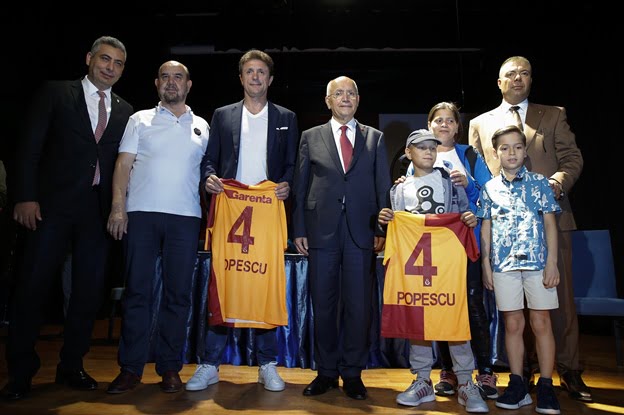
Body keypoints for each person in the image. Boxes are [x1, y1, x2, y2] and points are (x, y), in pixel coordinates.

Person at [0, 36, 132, 400]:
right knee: (32, 287)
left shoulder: (126, 110)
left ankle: (72, 365)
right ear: (89, 58)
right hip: (50, 208)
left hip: (97, 213)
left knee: (88, 293)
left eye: (118, 63)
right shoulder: (56, 93)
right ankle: (20, 373)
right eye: (104, 59)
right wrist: (25, 196)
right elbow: (29, 146)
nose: (110, 67)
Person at [468, 55, 589, 402]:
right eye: (511, 74)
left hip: (550, 219)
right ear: (499, 82)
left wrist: (555, 183)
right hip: (504, 230)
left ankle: (568, 370)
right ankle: (523, 373)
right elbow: (477, 174)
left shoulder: (553, 114)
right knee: (512, 313)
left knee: (558, 304)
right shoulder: (479, 123)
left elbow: (573, 158)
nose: (518, 78)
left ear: (531, 79)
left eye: (524, 73)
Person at [186, 49, 299, 393]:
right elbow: (210, 159)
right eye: (249, 71)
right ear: (240, 78)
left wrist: (287, 184)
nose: (255, 77)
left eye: (261, 71)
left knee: (263, 284)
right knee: (225, 283)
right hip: (231, 210)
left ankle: (267, 364)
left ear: (270, 79)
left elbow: (292, 164)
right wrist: (209, 178)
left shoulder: (286, 117)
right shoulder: (223, 115)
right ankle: (210, 364)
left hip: (266, 212)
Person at [105, 61, 209, 394]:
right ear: (156, 83)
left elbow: (209, 173)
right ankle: (130, 368)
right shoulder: (139, 120)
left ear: (188, 85)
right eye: (165, 77)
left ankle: (170, 367)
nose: (171, 82)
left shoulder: (203, 126)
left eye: (178, 77)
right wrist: (118, 208)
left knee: (178, 296)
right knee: (137, 292)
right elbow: (123, 164)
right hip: (141, 215)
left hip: (186, 218)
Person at [292, 75, 391, 400]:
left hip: (361, 232)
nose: (345, 98)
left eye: (351, 93)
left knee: (359, 307)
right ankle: (325, 372)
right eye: (338, 93)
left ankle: (352, 373)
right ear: (328, 101)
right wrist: (299, 229)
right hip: (321, 231)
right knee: (323, 305)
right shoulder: (310, 136)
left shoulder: (375, 138)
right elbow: (300, 185)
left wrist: (381, 230)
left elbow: (382, 186)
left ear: (358, 100)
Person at [378, 129, 488, 413]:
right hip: (415, 268)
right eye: (421, 147)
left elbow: (465, 216)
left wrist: (469, 218)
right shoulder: (398, 190)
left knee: (453, 317)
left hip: (447, 264)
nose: (428, 152)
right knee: (418, 319)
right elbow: (395, 228)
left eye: (432, 147)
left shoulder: (450, 182)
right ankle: (422, 379)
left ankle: (465, 381)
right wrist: (386, 220)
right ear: (408, 152)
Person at [408, 103, 497, 400]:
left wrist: (469, 186)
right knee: (440, 307)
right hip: (434, 251)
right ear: (429, 125)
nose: (444, 124)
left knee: (472, 307)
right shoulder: (417, 157)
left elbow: (491, 197)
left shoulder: (469, 156)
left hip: (467, 245)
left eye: (450, 120)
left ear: (458, 127)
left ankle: (485, 371)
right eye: (438, 120)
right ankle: (447, 371)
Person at [477, 125, 561, 414]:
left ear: (525, 151)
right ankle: (517, 385)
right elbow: (486, 228)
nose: (511, 153)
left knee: (541, 323)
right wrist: (486, 264)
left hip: (538, 264)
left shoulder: (540, 183)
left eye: (517, 147)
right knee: (512, 324)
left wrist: (552, 262)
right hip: (504, 266)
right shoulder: (489, 188)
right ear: (496, 152)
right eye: (505, 148)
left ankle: (547, 386)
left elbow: (550, 224)